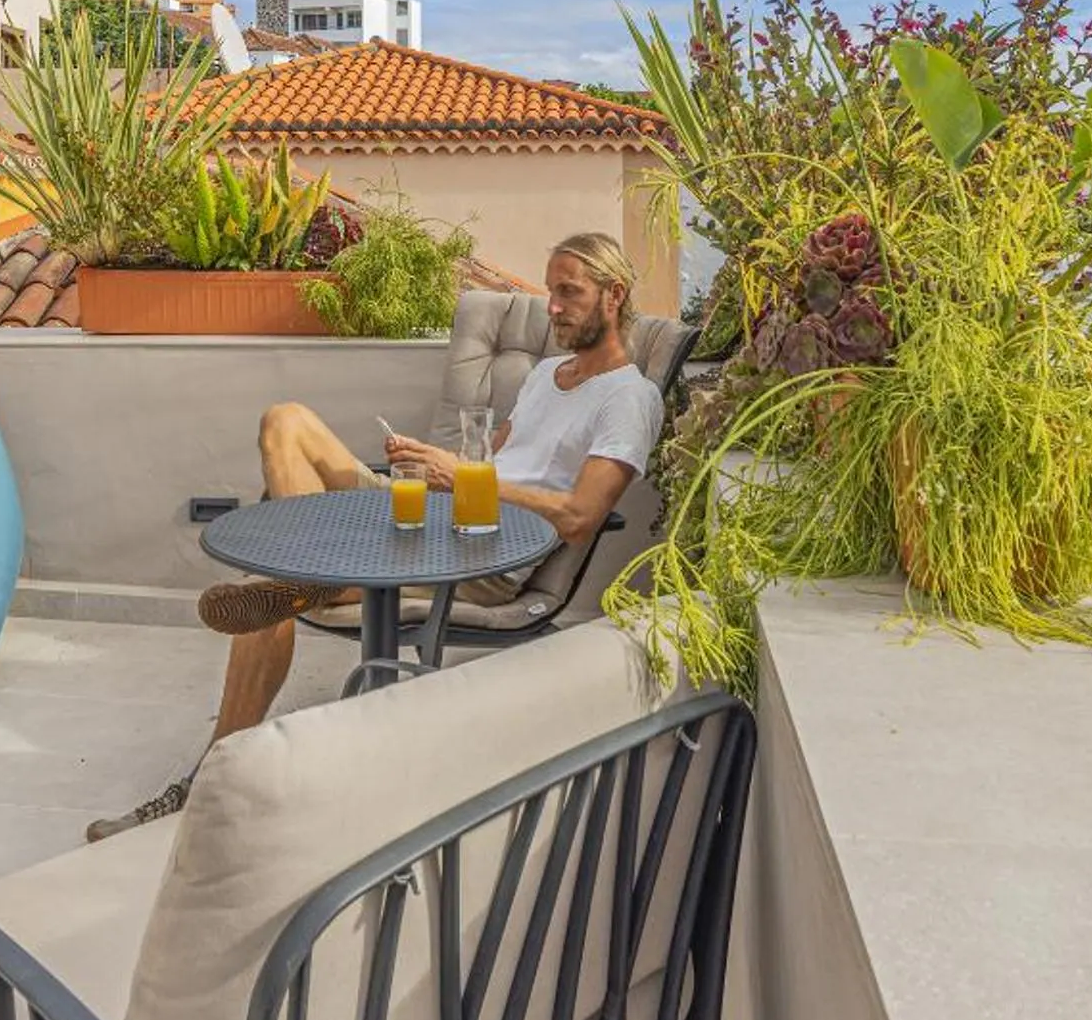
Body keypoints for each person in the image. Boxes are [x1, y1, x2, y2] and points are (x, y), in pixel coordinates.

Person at [86, 232, 665, 841]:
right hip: (440, 513)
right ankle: (311, 575)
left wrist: (460, 477)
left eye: (569, 293)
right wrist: (432, 466)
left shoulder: (629, 399)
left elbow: (580, 515)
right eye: (550, 292)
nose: (554, 308)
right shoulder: (547, 374)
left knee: (265, 599)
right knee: (287, 422)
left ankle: (205, 784)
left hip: (486, 557)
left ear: (613, 295)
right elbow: (492, 460)